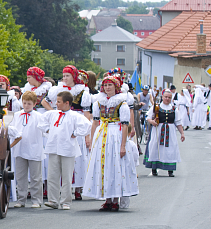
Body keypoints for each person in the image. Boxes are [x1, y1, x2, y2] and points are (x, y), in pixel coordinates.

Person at [82, 76, 139, 212]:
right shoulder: (97, 103)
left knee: (115, 165)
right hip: (102, 134)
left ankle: (115, 199)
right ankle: (107, 198)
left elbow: (125, 125)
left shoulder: (122, 104)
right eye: (105, 85)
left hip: (115, 134)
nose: (107, 87)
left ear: (116, 87)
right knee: (104, 165)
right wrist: (91, 139)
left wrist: (123, 145)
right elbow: (95, 122)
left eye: (110, 85)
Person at [43, 65, 92, 201]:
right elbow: (44, 102)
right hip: (60, 124)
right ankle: (55, 196)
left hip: (74, 125)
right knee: (56, 164)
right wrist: (53, 113)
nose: (65, 78)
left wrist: (85, 135)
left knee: (75, 161)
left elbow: (86, 114)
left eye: (67, 76)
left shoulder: (83, 91)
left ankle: (77, 189)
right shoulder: (57, 90)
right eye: (63, 76)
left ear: (74, 77)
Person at [8, 91, 46, 208]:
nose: (26, 106)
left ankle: (36, 200)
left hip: (34, 149)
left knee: (35, 177)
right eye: (24, 103)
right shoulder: (17, 115)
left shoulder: (39, 116)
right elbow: (12, 129)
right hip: (19, 149)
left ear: (34, 104)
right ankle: (21, 199)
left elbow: (44, 131)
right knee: (20, 176)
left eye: (29, 103)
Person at [22, 66, 52, 198]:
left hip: (42, 117)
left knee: (43, 153)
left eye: (30, 77)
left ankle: (45, 185)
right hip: (29, 118)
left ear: (36, 78)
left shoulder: (48, 89)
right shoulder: (27, 89)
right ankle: (31, 186)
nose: (27, 79)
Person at [144, 89, 185, 177]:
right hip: (158, 130)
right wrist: (152, 122)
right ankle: (154, 168)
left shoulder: (174, 109)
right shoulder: (156, 107)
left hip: (170, 132)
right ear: (162, 97)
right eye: (166, 97)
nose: (167, 99)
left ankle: (170, 170)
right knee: (155, 147)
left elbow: (178, 122)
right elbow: (148, 117)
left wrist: (182, 133)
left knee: (170, 149)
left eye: (169, 97)